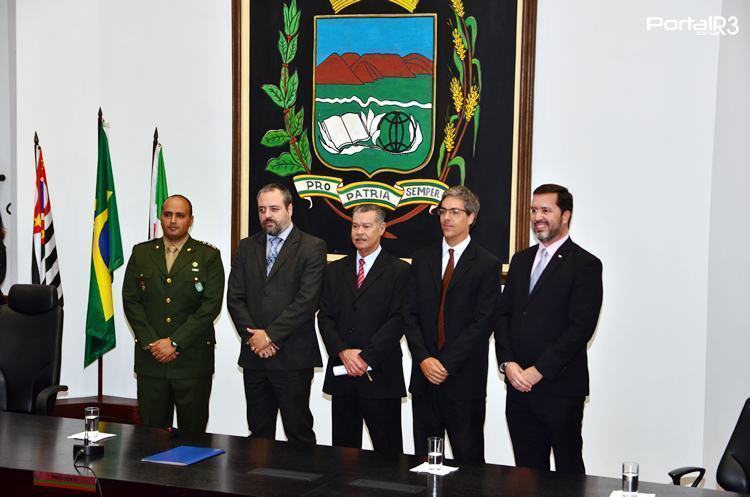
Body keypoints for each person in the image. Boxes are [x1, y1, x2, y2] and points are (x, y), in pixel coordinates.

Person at [495, 183, 603, 474]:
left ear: (565, 215)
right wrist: (508, 363)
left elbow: (580, 329)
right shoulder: (520, 261)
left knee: (567, 474)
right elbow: (503, 316)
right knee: (526, 475)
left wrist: (537, 370)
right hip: (518, 388)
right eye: (533, 210)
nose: (537, 216)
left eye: (546, 210)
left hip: (560, 389)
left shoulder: (586, 265)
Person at [404, 185, 501, 464]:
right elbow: (408, 314)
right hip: (424, 380)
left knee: (468, 467)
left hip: (463, 382)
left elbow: (483, 323)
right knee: (424, 465)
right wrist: (424, 359)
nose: (446, 218)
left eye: (455, 212)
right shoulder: (422, 258)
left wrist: (445, 363)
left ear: (471, 217)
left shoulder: (486, 264)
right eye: (443, 211)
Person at [227, 183, 326, 443]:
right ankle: (258, 485)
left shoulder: (312, 247)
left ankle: (303, 485)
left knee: (298, 431)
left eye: (274, 208)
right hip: (255, 358)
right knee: (258, 433)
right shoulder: (247, 247)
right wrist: (254, 339)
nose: (267, 215)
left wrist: (269, 336)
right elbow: (235, 298)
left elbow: (307, 301)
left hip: (292, 357)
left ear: (290, 209)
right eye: (262, 210)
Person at [122, 194, 224, 433]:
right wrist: (152, 343)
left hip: (192, 361)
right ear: (161, 217)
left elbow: (210, 306)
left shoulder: (208, 256)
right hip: (152, 360)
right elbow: (131, 301)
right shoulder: (141, 253)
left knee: (193, 437)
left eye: (180, 215)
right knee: (151, 436)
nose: (173, 220)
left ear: (191, 220)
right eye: (168, 214)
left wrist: (175, 342)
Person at [318, 204, 409, 454]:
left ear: (382, 229)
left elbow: (398, 320)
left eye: (366, 226)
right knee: (343, 456)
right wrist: (343, 352)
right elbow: (324, 317)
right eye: (355, 226)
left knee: (388, 456)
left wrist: (366, 357)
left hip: (381, 375)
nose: (359, 232)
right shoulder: (335, 270)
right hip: (343, 374)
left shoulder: (400, 271)